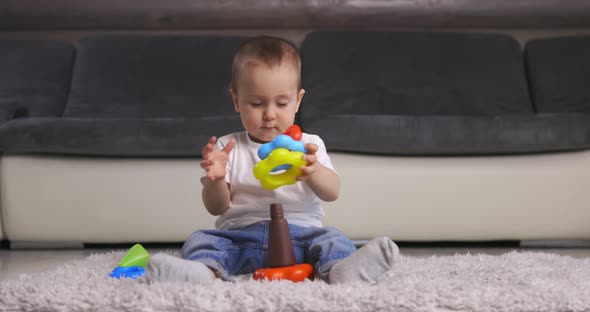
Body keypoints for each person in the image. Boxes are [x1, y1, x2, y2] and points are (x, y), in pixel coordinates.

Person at [147, 35, 399, 284]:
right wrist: (216, 180)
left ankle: (340, 271)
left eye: (281, 103)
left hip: (300, 235)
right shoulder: (227, 147)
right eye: (256, 103)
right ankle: (203, 272)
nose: (269, 114)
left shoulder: (309, 145)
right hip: (241, 238)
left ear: (298, 100)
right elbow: (216, 208)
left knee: (333, 239)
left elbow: (332, 192)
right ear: (236, 100)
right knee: (201, 240)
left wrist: (313, 170)